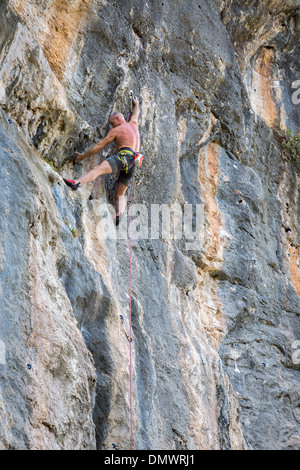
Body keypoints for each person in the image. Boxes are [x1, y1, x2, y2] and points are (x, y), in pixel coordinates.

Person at [63, 98, 140, 223]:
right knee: (120, 193)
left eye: (112, 123)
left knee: (97, 169)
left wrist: (83, 156)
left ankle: (77, 182)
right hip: (134, 162)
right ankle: (119, 214)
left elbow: (99, 146)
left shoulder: (117, 130)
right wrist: (136, 104)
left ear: (118, 119)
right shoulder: (134, 124)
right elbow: (136, 113)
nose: (111, 126)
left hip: (123, 156)